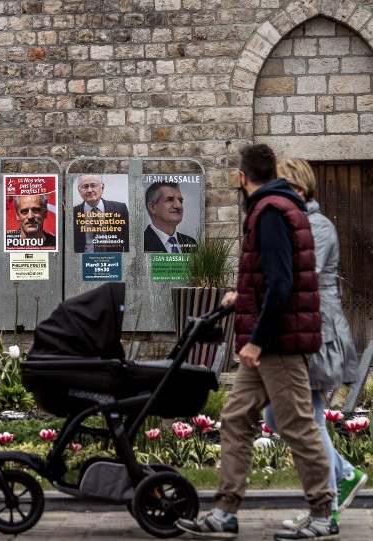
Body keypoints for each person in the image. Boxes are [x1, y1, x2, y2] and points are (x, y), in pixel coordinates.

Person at [177, 144, 337, 540]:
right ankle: (225, 511)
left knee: (298, 426)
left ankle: (322, 515)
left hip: (276, 345)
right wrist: (242, 297)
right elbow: (270, 278)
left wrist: (257, 341)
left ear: (242, 177)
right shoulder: (277, 206)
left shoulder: (270, 213)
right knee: (235, 419)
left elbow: (282, 282)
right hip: (269, 342)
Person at [263, 158, 367, 529]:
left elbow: (299, 277)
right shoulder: (289, 224)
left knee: (306, 418)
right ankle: (343, 474)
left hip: (317, 332)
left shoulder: (317, 226)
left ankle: (326, 510)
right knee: (276, 416)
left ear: (299, 190)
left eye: (281, 187)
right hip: (300, 329)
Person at [72, 174, 129, 252]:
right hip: (84, 260)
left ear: (102, 188)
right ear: (79, 191)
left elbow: (128, 239)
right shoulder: (72, 213)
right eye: (85, 186)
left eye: (93, 185)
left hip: (113, 260)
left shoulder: (119, 209)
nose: (89, 190)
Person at [143, 181, 197, 253]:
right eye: (169, 200)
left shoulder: (190, 242)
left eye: (180, 201)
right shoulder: (140, 243)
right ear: (152, 207)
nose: (178, 206)